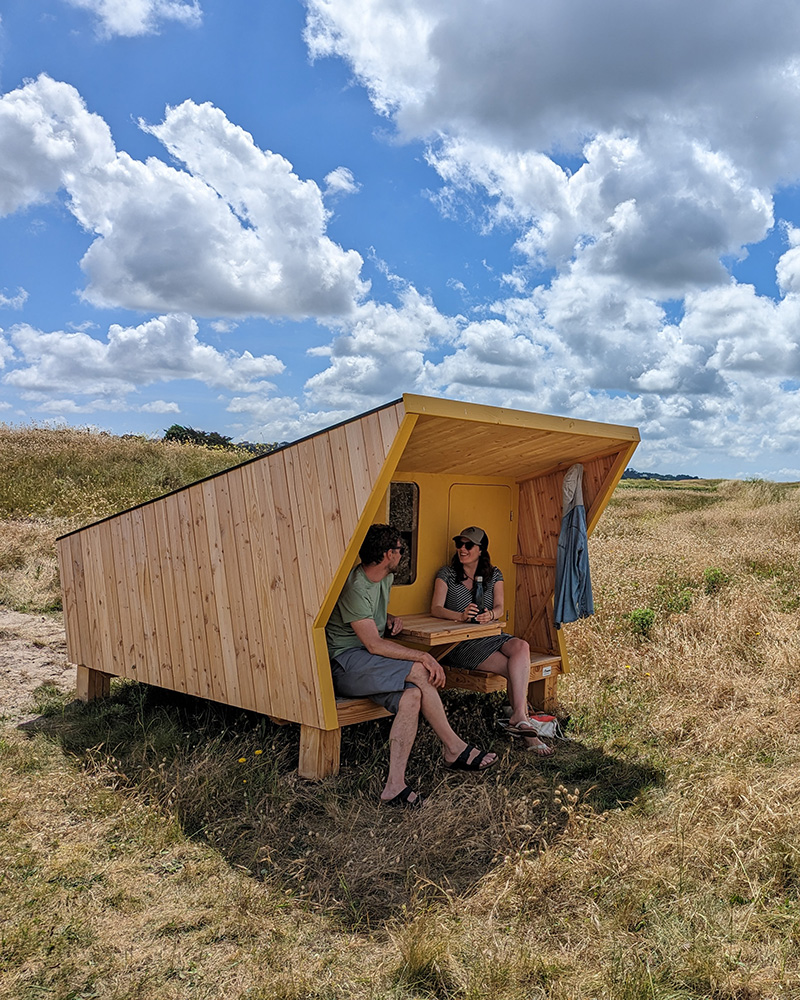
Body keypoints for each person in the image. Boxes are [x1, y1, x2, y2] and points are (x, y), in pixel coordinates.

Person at [326, 523, 498, 808]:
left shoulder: (382, 579)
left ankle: (394, 786)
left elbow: (367, 620)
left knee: (412, 695)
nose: (402, 555)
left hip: (368, 662)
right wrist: (422, 656)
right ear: (386, 554)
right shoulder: (356, 586)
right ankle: (455, 748)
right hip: (346, 663)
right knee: (420, 670)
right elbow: (373, 644)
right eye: (399, 550)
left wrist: (389, 617)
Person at [430, 526, 554, 756]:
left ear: (480, 550)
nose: (462, 549)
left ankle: (519, 716)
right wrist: (460, 615)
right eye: (460, 544)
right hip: (460, 642)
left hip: (488, 633)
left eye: (468, 545)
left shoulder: (494, 574)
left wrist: (491, 615)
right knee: (515, 668)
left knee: (522, 646)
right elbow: (436, 608)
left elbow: (499, 607)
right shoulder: (446, 574)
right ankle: (523, 722)